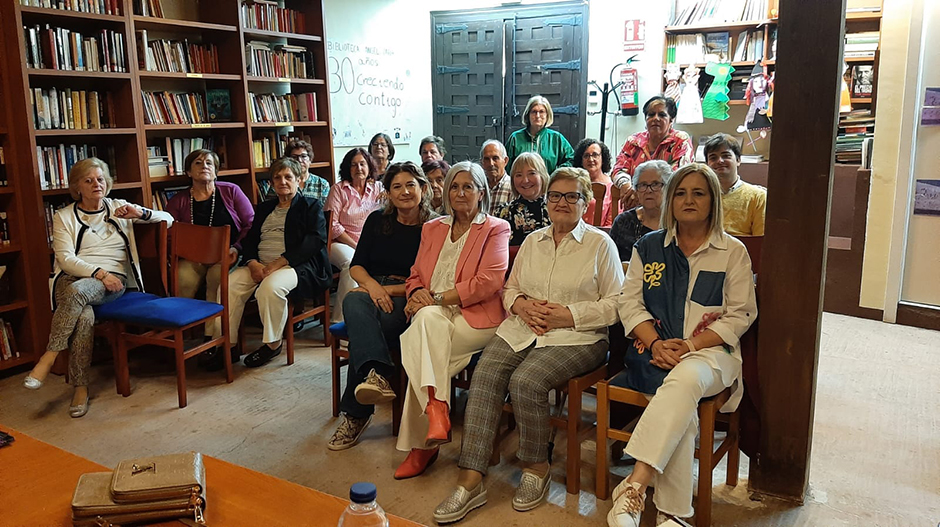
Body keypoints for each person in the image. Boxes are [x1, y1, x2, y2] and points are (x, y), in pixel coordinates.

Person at [433, 167, 624, 523]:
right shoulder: (534, 241)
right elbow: (509, 289)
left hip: (580, 337)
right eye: (555, 196)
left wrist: (567, 315)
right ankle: (470, 479)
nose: (562, 203)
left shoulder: (601, 245)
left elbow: (616, 304)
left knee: (526, 382)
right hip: (524, 327)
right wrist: (521, 306)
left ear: (586, 202)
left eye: (572, 196)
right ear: (546, 201)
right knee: (485, 375)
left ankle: (537, 467)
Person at [608, 163, 757, 527]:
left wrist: (690, 345)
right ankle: (674, 515)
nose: (688, 200)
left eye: (699, 193)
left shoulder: (731, 251)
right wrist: (657, 343)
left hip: (711, 354)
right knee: (682, 402)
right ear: (670, 200)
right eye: (680, 192)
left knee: (687, 377)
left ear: (713, 201)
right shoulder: (649, 247)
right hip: (654, 352)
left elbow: (740, 315)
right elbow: (629, 303)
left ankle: (634, 487)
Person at [23, 158, 173, 417]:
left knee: (78, 294)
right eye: (88, 180)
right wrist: (99, 273)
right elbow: (66, 258)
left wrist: (141, 213)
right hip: (72, 279)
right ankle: (80, 388)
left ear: (108, 183)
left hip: (114, 281)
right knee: (83, 315)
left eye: (100, 179)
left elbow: (168, 218)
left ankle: (50, 358)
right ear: (77, 187)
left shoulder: (119, 208)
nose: (96, 184)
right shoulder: (64, 217)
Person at [394, 161, 510, 480]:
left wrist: (433, 300)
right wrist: (417, 292)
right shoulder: (433, 228)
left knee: (421, 337)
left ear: (481, 192)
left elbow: (490, 281)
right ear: (446, 193)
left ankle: (425, 441)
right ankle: (435, 417)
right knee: (428, 334)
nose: (460, 193)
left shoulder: (495, 228)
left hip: (478, 318)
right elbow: (415, 273)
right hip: (433, 316)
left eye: (468, 186)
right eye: (454, 187)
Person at [328, 162, 437, 450]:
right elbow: (358, 265)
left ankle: (355, 414)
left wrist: (384, 290)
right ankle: (375, 375)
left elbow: (431, 280)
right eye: (396, 186)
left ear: (422, 188)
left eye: (411, 185)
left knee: (359, 318)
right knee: (356, 302)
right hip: (371, 290)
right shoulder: (377, 221)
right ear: (387, 193)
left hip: (409, 294)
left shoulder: (435, 226)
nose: (404, 192)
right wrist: (374, 288)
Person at [224, 157, 331, 368]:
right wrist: (253, 262)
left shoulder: (311, 206)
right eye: (277, 178)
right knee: (228, 285)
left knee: (269, 289)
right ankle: (227, 345)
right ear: (272, 183)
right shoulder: (264, 209)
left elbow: (314, 241)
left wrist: (277, 264)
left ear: (299, 181)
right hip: (259, 264)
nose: (283, 181)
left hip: (295, 265)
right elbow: (251, 238)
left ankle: (272, 345)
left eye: (288, 177)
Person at [166, 149, 254, 370]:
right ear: (188, 171)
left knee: (217, 280)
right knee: (181, 280)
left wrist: (236, 247)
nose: (204, 166)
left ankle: (212, 340)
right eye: (198, 163)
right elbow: (168, 233)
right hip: (192, 257)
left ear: (216, 171)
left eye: (209, 163)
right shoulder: (178, 201)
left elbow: (250, 223)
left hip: (227, 254)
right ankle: (180, 340)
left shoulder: (231, 191)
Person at [324, 148, 384, 323]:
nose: (359, 168)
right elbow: (332, 225)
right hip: (339, 243)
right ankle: (343, 320)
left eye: (362, 164)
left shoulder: (378, 188)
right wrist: (357, 246)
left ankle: (373, 315)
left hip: (370, 243)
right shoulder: (339, 190)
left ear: (369, 166)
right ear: (347, 168)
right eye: (354, 165)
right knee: (352, 264)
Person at [611, 95, 693, 210]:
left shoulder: (680, 140)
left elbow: (677, 175)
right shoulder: (633, 141)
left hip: (668, 210)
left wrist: (641, 190)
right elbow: (618, 170)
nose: (656, 118)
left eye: (662, 115)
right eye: (651, 114)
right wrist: (627, 185)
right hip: (634, 209)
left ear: (671, 121)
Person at [609, 160, 673, 261]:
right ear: (636, 191)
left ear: (668, 188)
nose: (648, 190)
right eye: (643, 185)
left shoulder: (676, 222)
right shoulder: (623, 222)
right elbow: (610, 261)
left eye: (655, 184)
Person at [704, 133, 766, 236]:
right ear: (707, 164)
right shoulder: (700, 196)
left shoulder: (758, 197)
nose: (719, 161)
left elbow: (760, 242)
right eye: (713, 158)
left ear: (738, 160)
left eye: (726, 156)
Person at [505, 95, 574, 175]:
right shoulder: (515, 138)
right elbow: (506, 165)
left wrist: (556, 175)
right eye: (534, 112)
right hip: (521, 185)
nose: (537, 116)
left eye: (541, 112)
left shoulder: (556, 138)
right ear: (528, 115)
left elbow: (571, 159)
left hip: (548, 186)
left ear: (547, 115)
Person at [495, 152, 550, 246]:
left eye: (531, 173)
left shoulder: (556, 209)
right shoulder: (503, 212)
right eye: (519, 175)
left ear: (542, 176)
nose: (525, 180)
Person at [260, 139, 331, 203]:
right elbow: (269, 208)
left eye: (303, 156)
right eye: (294, 157)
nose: (299, 160)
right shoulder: (280, 184)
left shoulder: (322, 184)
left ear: (310, 160)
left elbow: (325, 213)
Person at [574, 138, 615, 227]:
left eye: (595, 155)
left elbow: (612, 222)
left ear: (603, 158)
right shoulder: (574, 183)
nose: (591, 159)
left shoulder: (612, 187)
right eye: (586, 156)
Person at [480, 139, 512, 211]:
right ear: (482, 163)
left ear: (505, 161)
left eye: (495, 158)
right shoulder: (478, 186)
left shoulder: (513, 187)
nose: (491, 163)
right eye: (486, 159)